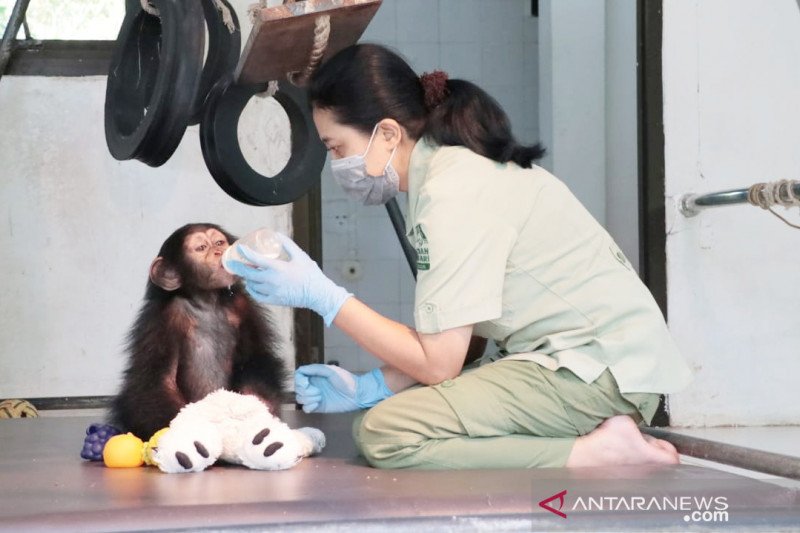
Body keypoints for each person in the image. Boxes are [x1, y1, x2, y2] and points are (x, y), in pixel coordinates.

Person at [227, 43, 693, 470]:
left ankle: (595, 454)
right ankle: (596, 440)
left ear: (387, 134)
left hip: (595, 373)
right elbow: (462, 334)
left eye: (337, 147)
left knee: (385, 433)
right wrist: (373, 385)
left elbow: (438, 364)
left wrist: (323, 296)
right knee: (389, 408)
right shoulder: (447, 174)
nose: (337, 165)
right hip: (589, 362)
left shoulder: (451, 193)